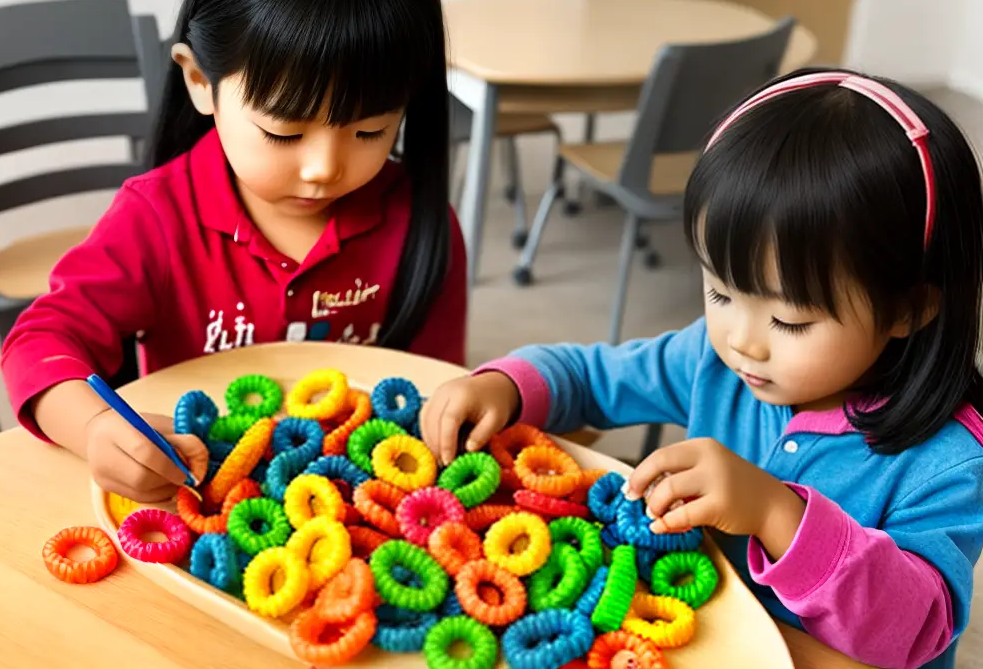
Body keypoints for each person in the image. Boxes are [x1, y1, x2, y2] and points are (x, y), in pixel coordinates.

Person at [421, 68, 983, 668]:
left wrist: (775, 513)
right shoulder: (713, 360)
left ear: (908, 310)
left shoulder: (948, 461)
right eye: (719, 292)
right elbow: (590, 378)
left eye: (790, 321)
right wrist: (505, 386)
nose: (742, 342)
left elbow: (914, 630)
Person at [0, 0, 464, 505]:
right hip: (192, 497)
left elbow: (439, 390)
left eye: (369, 132)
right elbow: (40, 341)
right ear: (199, 82)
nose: (324, 168)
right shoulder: (158, 219)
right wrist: (94, 428)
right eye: (284, 133)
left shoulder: (421, 228)